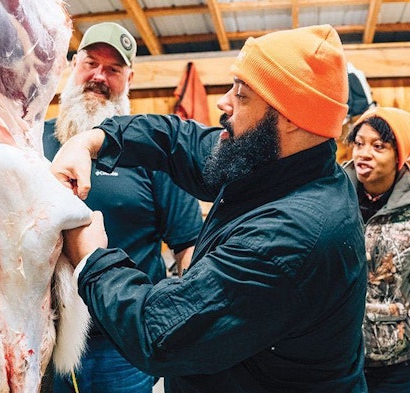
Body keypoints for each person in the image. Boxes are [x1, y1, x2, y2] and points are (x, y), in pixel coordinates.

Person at [51, 24, 368, 392]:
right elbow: (177, 140)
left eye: (242, 95)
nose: (224, 102)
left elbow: (161, 331)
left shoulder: (292, 238)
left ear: (290, 120)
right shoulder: (269, 160)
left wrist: (91, 258)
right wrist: (92, 140)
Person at [43, 22, 204, 393]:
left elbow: (187, 247)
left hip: (120, 346)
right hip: (43, 336)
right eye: (91, 63)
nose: (100, 76)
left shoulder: (153, 156)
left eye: (114, 69)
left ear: (129, 79)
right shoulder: (36, 141)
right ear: (73, 65)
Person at [343, 106, 410, 393]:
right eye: (359, 144)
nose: (363, 153)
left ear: (400, 155)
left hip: (397, 361)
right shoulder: (333, 197)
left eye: (378, 146)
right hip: (335, 353)